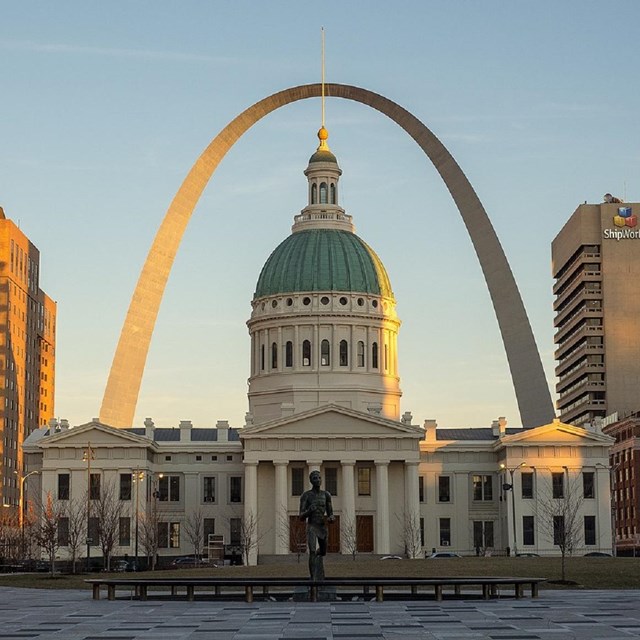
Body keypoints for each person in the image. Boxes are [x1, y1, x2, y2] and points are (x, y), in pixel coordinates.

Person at [299, 470, 334, 580]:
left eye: (319, 478)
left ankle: (318, 571)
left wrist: (331, 518)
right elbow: (301, 516)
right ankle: (313, 578)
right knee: (312, 551)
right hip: (312, 526)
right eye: (315, 478)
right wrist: (309, 511)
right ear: (311, 481)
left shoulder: (326, 495)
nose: (318, 480)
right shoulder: (306, 496)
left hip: (322, 526)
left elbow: (330, 513)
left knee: (322, 552)